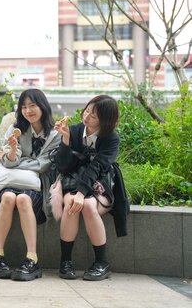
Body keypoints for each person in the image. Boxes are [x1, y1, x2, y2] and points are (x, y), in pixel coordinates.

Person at [0, 88, 60, 281]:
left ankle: (32, 258)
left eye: (32, 106)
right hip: (11, 180)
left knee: (22, 199)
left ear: (43, 107)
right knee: (7, 197)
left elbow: (44, 164)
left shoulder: (55, 135)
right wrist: (13, 150)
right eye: (24, 107)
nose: (28, 111)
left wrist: (17, 160)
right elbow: (9, 162)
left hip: (37, 186)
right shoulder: (15, 130)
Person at [54, 95, 120, 281]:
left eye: (94, 115)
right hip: (73, 183)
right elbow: (63, 167)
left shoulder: (111, 139)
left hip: (100, 185)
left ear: (105, 121)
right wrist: (66, 140)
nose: (87, 116)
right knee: (71, 206)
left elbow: (97, 167)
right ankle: (65, 261)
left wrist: (82, 194)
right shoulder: (74, 130)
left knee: (89, 206)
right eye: (88, 110)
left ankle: (102, 262)